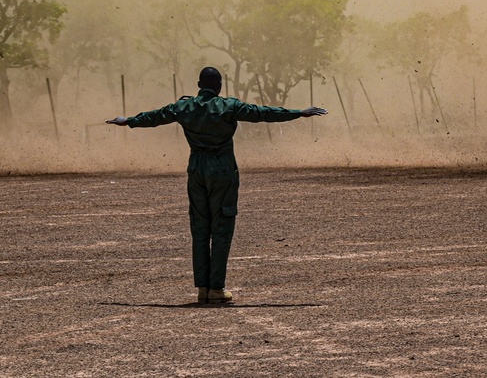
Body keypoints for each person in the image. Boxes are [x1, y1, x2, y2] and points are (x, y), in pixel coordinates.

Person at [106, 67, 327, 305]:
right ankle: (216, 288)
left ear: (199, 84)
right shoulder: (228, 106)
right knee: (221, 227)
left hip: (196, 169)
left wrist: (128, 121)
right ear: (219, 85)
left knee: (200, 228)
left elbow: (154, 117)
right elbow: (263, 113)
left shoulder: (183, 107)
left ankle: (202, 288)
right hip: (222, 169)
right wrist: (298, 113)